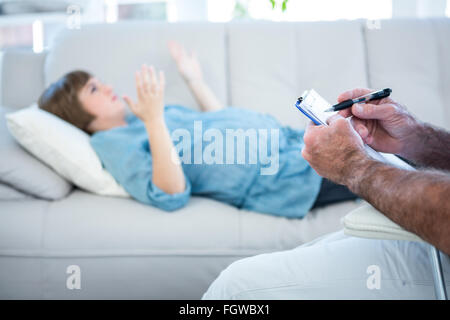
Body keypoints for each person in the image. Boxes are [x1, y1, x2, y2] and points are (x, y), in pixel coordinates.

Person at [37, 41, 358, 218]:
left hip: (288, 143)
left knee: (375, 137)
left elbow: (220, 122)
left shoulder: (138, 118)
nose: (105, 86)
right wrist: (153, 120)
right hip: (284, 177)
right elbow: (171, 194)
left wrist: (194, 80)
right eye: (93, 90)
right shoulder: (112, 143)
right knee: (383, 167)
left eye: (98, 81)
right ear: (78, 115)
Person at [202, 88, 450, 299]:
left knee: (234, 289)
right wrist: (419, 139)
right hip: (425, 234)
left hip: (439, 251)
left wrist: (354, 165)